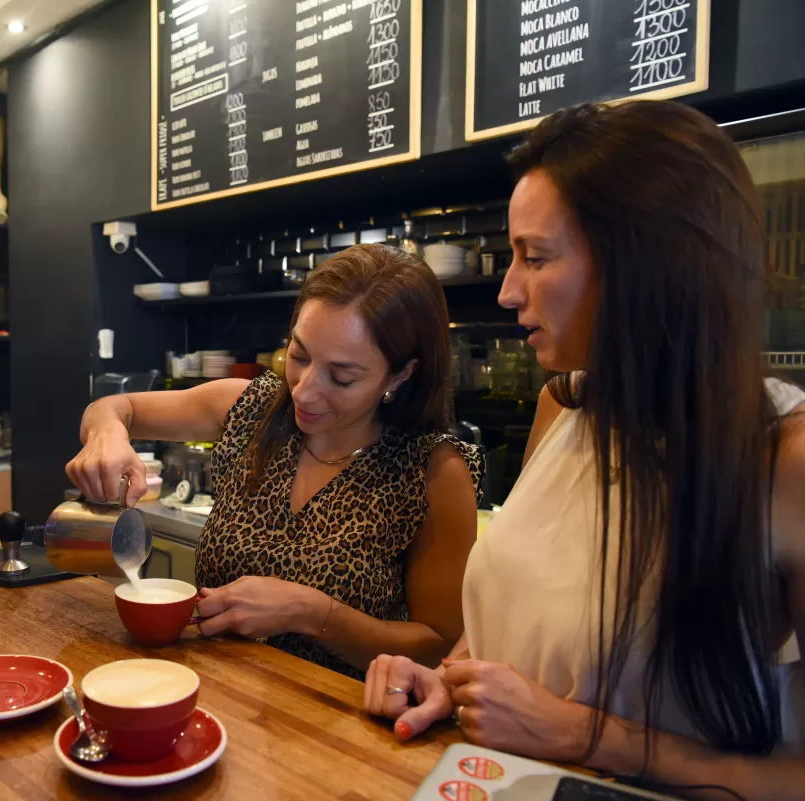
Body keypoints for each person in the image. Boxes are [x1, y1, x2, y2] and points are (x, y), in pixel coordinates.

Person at [363, 101, 805, 798]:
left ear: (648, 266)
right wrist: (453, 678)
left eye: (535, 257)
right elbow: (526, 617)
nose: (509, 290)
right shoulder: (563, 407)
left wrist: (581, 732)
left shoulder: (783, 460)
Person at [67, 245, 483, 677]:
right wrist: (107, 434)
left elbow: (439, 649)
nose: (303, 391)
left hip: (332, 724)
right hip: (216, 693)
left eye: (341, 377)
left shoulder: (432, 471)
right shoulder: (252, 407)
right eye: (299, 356)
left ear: (401, 374)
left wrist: (313, 613)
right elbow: (116, 408)